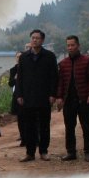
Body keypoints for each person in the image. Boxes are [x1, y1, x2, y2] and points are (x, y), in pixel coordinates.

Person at [16, 29, 59, 162]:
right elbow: (20, 78)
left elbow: (54, 77)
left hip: (44, 97)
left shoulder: (50, 56)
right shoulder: (24, 57)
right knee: (29, 126)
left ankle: (44, 151)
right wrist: (19, 94)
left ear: (42, 40)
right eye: (33, 38)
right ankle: (30, 153)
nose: (35, 40)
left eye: (37, 38)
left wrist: (53, 94)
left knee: (44, 125)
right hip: (28, 97)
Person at [56, 35, 89, 162]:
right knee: (69, 127)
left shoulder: (87, 60)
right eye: (68, 45)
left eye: (73, 45)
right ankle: (71, 152)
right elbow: (61, 82)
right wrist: (59, 97)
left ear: (78, 46)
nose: (70, 47)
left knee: (86, 126)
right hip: (68, 101)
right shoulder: (63, 63)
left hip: (84, 99)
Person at [8, 51, 25, 146]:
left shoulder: (28, 67)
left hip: (28, 95)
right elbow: (10, 83)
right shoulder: (13, 70)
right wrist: (15, 78)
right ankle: (23, 138)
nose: (19, 58)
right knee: (20, 118)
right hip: (17, 95)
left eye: (20, 56)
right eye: (17, 57)